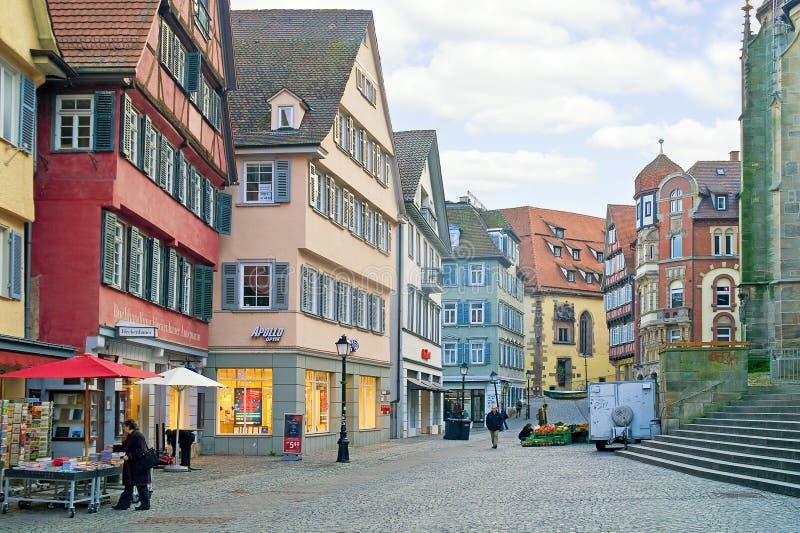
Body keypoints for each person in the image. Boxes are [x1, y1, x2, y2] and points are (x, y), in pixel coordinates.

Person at [112, 419, 152, 511]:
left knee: (141, 486)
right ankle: (123, 504)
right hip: (132, 466)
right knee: (128, 485)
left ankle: (145, 504)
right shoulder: (130, 436)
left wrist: (129, 457)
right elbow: (124, 447)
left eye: (124, 426)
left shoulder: (138, 436)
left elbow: (141, 451)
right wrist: (112, 447)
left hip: (138, 466)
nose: (123, 428)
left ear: (128, 427)